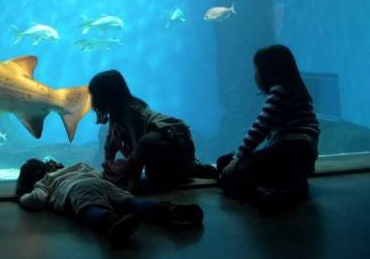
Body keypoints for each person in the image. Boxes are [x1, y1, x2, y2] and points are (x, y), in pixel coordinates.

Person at [217, 45, 320, 213]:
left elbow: (259, 129)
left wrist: (237, 158)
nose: (255, 75)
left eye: (256, 70)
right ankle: (292, 185)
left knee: (234, 172)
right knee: (224, 163)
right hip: (301, 154)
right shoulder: (296, 89)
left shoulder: (280, 91)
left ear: (268, 71)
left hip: (292, 151)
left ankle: (273, 193)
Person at [16, 158, 203, 247]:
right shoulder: (78, 165)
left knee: (90, 208)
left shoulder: (45, 181)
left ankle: (111, 221)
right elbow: (98, 174)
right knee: (130, 203)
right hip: (102, 183)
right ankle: (169, 210)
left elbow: (38, 200)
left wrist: (23, 197)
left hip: (77, 189)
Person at [88, 69, 216, 192]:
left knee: (145, 143)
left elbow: (139, 149)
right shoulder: (115, 115)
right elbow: (109, 145)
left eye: (95, 95)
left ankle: (193, 168)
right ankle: (189, 169)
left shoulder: (133, 114)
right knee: (154, 175)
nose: (93, 100)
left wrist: (133, 179)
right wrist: (107, 169)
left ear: (107, 95)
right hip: (160, 156)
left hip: (173, 147)